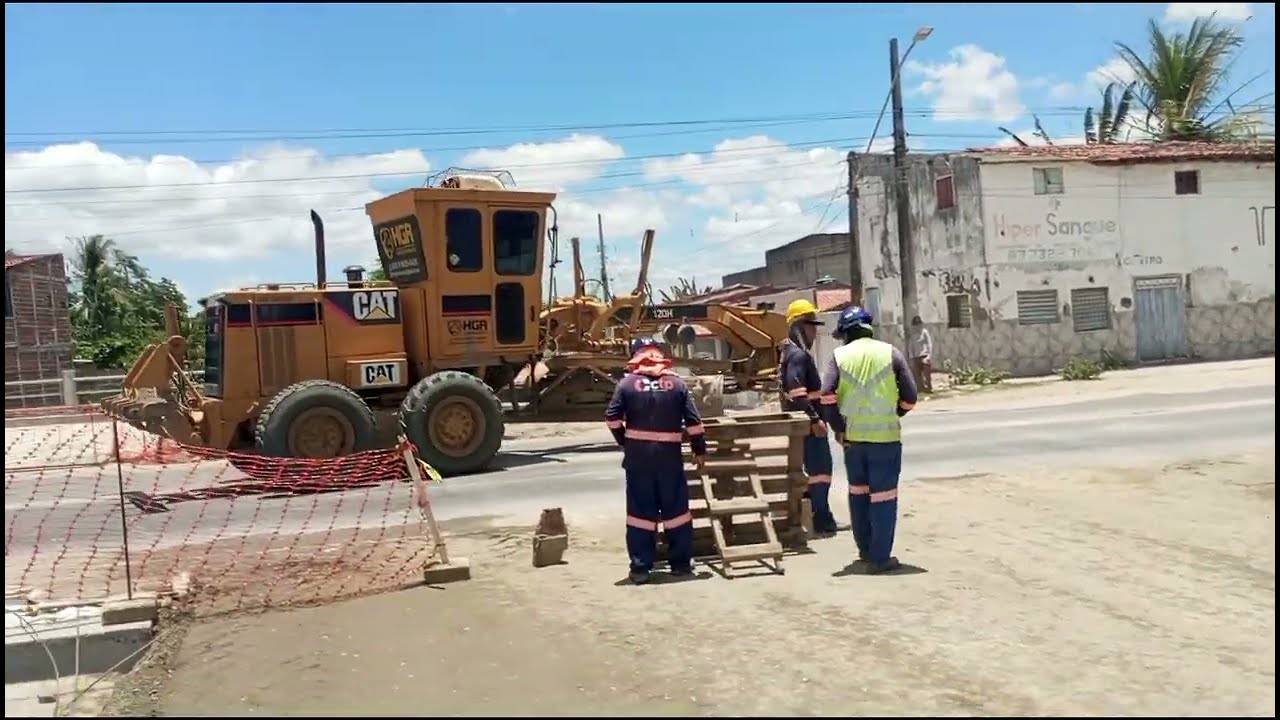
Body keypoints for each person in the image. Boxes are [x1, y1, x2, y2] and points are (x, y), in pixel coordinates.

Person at [818, 306, 917, 574]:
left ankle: (865, 550)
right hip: (885, 439)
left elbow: (826, 395)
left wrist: (839, 428)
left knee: (859, 494)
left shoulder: (837, 357)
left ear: (847, 333)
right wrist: (893, 413)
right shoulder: (892, 353)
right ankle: (880, 557)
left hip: (853, 441)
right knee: (883, 497)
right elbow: (910, 397)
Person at [605, 338, 708, 584]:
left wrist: (625, 441)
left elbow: (612, 419)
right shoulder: (678, 384)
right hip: (669, 460)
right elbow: (694, 424)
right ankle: (681, 565)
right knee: (677, 513)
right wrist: (699, 451)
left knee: (640, 514)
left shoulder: (626, 385)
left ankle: (641, 568)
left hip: (638, 460)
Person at [778, 299, 838, 536]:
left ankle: (817, 514)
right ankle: (821, 517)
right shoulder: (798, 356)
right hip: (809, 427)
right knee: (820, 471)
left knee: (812, 473)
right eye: (810, 325)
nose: (814, 331)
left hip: (803, 426)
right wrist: (815, 420)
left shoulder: (789, 353)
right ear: (798, 327)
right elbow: (796, 391)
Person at [908, 315, 934, 393]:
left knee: (927, 372)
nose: (917, 327)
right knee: (917, 374)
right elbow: (910, 346)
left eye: (919, 325)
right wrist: (911, 358)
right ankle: (920, 388)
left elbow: (929, 344)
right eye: (916, 325)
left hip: (924, 355)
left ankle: (929, 387)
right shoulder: (912, 334)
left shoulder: (924, 332)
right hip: (916, 356)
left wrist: (929, 355)